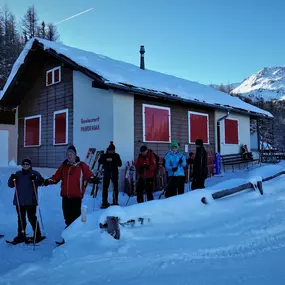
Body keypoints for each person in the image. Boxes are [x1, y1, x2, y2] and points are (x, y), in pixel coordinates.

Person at [43, 145, 96, 230]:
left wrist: (93, 179)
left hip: (76, 197)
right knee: (67, 218)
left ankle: (75, 237)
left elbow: (89, 176)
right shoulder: (64, 166)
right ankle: (68, 238)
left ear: (75, 155)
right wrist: (46, 181)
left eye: (71, 154)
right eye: (67, 154)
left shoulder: (81, 166)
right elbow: (55, 178)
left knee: (75, 218)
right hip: (65, 197)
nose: (69, 156)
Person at [8, 158, 45, 244]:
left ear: (30, 165)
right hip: (19, 200)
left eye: (27, 164)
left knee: (32, 218)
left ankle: (37, 234)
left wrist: (35, 179)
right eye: (24, 164)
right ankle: (21, 235)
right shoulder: (18, 174)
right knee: (21, 219)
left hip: (31, 201)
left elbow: (42, 182)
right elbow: (10, 185)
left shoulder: (35, 173)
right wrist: (11, 178)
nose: (25, 165)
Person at [99, 141, 122, 209]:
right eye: (111, 151)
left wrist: (113, 160)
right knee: (105, 187)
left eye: (113, 151)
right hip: (106, 173)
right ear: (108, 150)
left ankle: (115, 201)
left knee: (115, 187)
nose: (112, 152)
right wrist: (106, 160)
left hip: (114, 173)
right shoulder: (104, 155)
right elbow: (100, 161)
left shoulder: (116, 155)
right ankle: (104, 202)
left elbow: (120, 164)